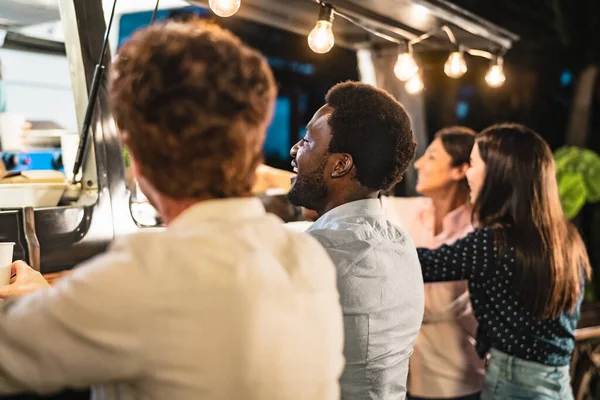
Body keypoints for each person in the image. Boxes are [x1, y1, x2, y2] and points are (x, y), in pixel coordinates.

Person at [0, 20, 345, 399]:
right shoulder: (307, 259)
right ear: (252, 142)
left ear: (135, 151)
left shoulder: (147, 272)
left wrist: (42, 304)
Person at [417, 123, 591, 400]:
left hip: (514, 384)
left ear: (497, 174)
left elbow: (422, 264)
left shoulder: (494, 242)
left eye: (473, 164)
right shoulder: (568, 239)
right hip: (558, 383)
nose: (468, 175)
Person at [287, 81, 424, 400]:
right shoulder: (399, 241)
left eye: (307, 141)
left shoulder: (320, 253)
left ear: (341, 165)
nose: (295, 149)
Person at [381, 127, 485, 400]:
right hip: (408, 383)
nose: (418, 164)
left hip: (460, 382)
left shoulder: (478, 231)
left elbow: (443, 305)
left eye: (431, 157)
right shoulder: (404, 211)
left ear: (459, 170)